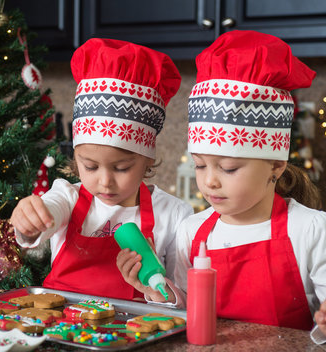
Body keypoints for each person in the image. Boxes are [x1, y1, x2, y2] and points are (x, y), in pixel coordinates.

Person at [174, 30, 326, 349]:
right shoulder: (192, 232)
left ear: (275, 167)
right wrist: (159, 292)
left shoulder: (309, 229)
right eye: (200, 165)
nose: (209, 181)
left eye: (228, 168)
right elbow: (182, 309)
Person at [11, 38, 193, 303]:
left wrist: (155, 290)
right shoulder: (67, 197)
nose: (105, 181)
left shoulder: (174, 214)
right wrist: (31, 220)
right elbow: (48, 214)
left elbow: (184, 298)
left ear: (147, 160)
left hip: (132, 334)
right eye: (90, 166)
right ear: (75, 157)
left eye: (121, 167)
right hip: (60, 326)